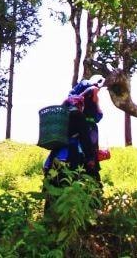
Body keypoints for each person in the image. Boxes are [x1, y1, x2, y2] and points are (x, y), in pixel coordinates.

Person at [42, 77, 104, 205]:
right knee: (80, 192)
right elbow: (86, 140)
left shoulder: (65, 116)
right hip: (73, 160)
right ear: (86, 98)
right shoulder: (79, 117)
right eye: (95, 96)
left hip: (55, 160)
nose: (97, 100)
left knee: (54, 196)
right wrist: (92, 159)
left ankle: (51, 222)